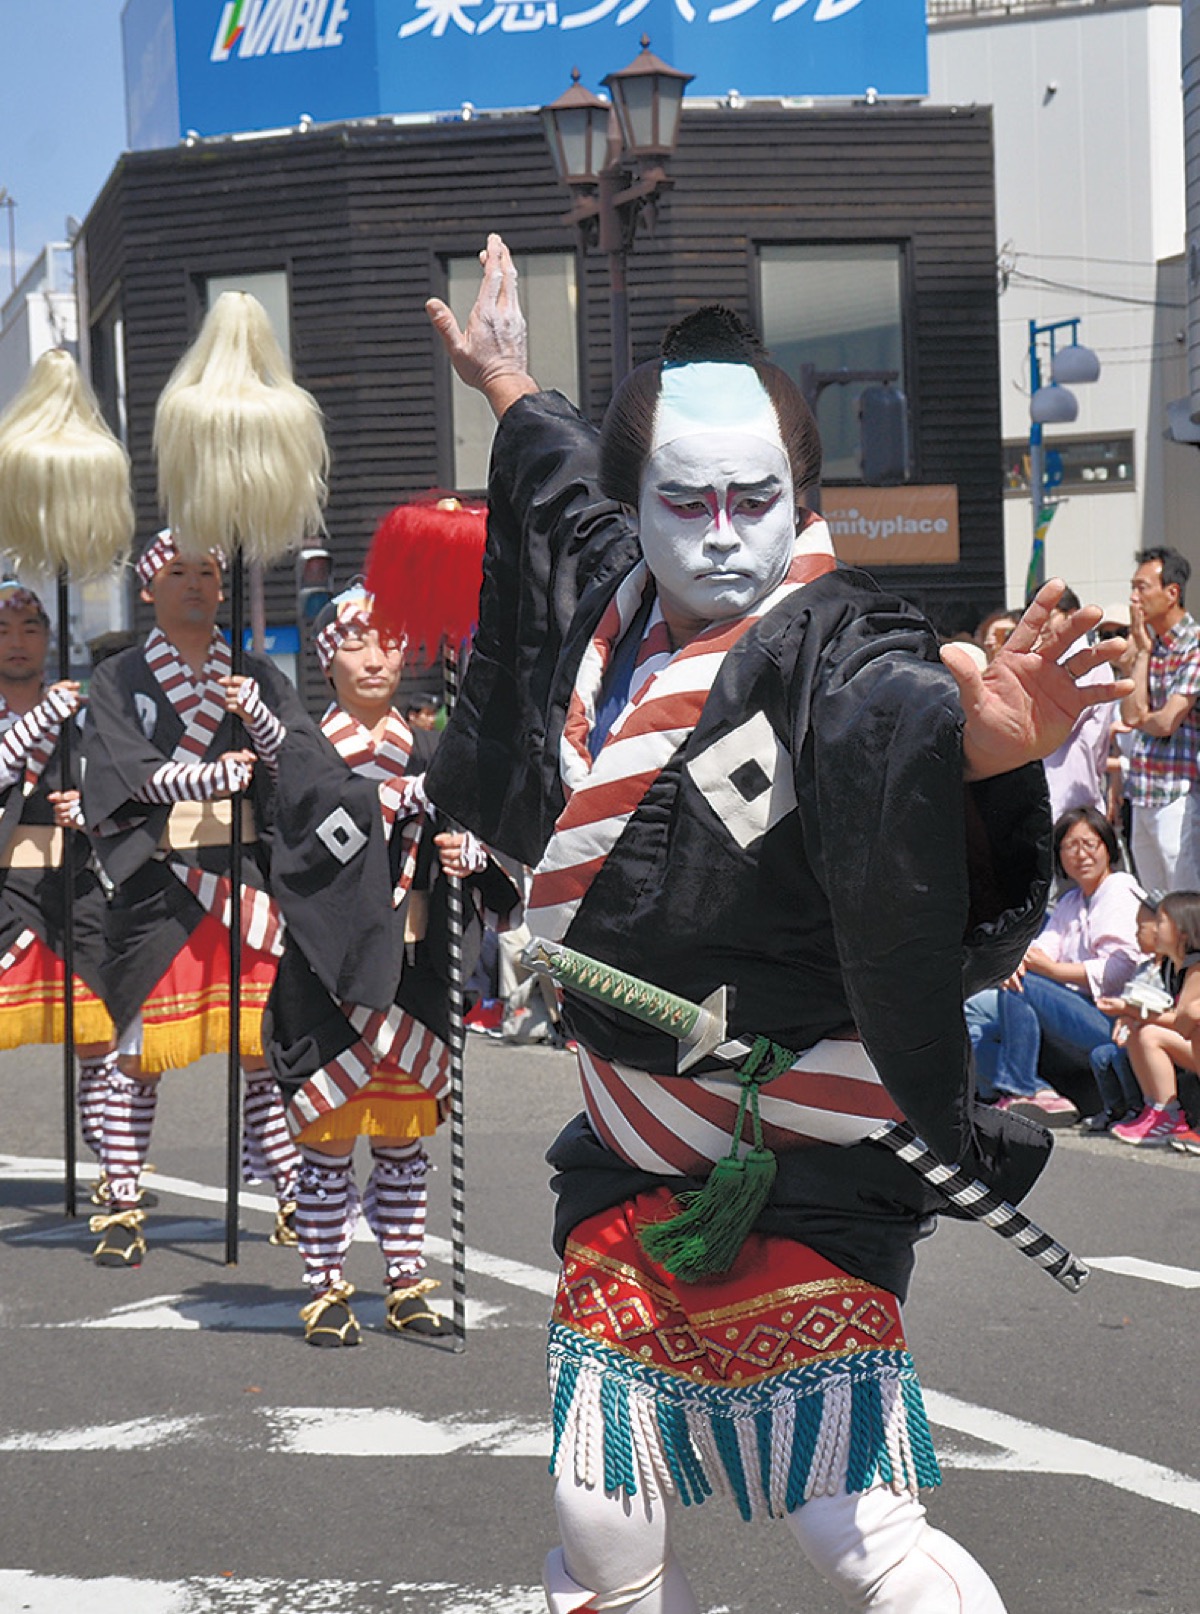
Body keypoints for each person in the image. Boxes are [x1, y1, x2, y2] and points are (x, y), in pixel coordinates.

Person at [420, 235, 1128, 1614]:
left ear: (801, 497)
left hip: (800, 1145)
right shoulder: (608, 588)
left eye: (757, 499)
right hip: (632, 1146)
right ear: (638, 505)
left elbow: (892, 720)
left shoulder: (839, 643)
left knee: (853, 1527)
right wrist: (504, 378)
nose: (724, 533)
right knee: (598, 1517)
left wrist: (986, 748)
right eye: (686, 502)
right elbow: (558, 474)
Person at [265, 585, 520, 1345]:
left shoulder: (436, 749)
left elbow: (482, 833)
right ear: (326, 660)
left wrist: (469, 852)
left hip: (415, 972)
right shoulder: (305, 748)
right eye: (355, 643)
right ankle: (326, 1285)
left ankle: (406, 1279)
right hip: (331, 972)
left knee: (404, 1139)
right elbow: (316, 827)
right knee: (328, 1143)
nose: (374, 658)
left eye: (388, 642)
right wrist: (400, 797)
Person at [81, 534, 308, 1266]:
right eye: (177, 572)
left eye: (208, 572)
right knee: (138, 1053)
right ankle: (122, 1199)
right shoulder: (118, 677)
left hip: (243, 877)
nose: (195, 584)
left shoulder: (254, 674)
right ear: (148, 589)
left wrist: (260, 721)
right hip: (158, 880)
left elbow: (300, 761)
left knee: (262, 1052)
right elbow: (119, 773)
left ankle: (292, 1195)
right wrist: (206, 778)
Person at [0, 582, 116, 1171]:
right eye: (2, 631)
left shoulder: (81, 714)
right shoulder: (50, 713)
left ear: (49, 637)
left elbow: (118, 789)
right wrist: (41, 719)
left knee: (100, 1029)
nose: (17, 642)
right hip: (3, 887)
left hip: (69, 883)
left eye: (30, 628)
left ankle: (113, 1161)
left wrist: (90, 807)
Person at [968, 806, 1146, 1124]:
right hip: (1068, 1011)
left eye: (1089, 844)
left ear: (1108, 848)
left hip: (1110, 1019)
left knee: (1023, 986)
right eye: (1070, 846)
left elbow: (1118, 970)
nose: (1081, 854)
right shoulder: (1070, 901)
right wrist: (1020, 963)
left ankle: (1022, 1088)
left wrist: (1050, 971)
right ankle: (1041, 1093)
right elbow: (1041, 950)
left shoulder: (1119, 889)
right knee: (975, 1010)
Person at [1118, 547, 1200, 892]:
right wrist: (1142, 653)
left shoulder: (1193, 645)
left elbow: (1167, 722)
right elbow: (1129, 714)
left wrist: (1143, 717)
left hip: (1179, 792)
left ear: (1172, 593)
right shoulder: (1150, 645)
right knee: (1154, 901)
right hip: (1142, 790)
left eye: (1142, 587)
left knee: (1184, 900)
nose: (1134, 598)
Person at [1096, 890, 1200, 1147]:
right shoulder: (1173, 967)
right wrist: (1133, 1014)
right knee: (1140, 1029)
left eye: (1161, 921)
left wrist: (1132, 1010)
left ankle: (1168, 1114)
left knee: (1150, 1033)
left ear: (1182, 931)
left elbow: (1183, 1020)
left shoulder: (1196, 968)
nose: (1154, 928)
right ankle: (1154, 1109)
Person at [1039, 586, 1119, 822]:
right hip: (1054, 795)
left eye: (1049, 616)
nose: (1042, 625)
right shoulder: (1052, 661)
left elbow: (1057, 722)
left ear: (1072, 614)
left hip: (1073, 797)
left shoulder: (1088, 661)